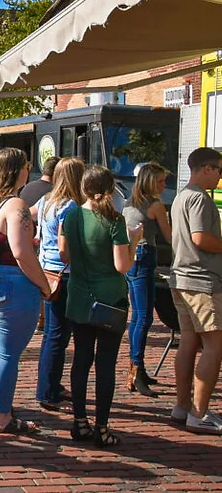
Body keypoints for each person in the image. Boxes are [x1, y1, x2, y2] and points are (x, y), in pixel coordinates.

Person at [0, 147, 51, 434]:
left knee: (2, 349)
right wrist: (44, 285)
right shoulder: (15, 205)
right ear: (20, 171)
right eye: (27, 167)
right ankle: (2, 416)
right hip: (10, 286)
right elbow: (22, 253)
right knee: (7, 354)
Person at [60, 165, 139, 447]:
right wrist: (135, 242)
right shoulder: (113, 220)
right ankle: (101, 427)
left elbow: (65, 254)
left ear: (83, 188)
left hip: (80, 296)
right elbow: (122, 265)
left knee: (81, 360)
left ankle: (79, 421)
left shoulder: (70, 216)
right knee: (105, 364)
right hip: (110, 299)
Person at [169, 147, 222, 434]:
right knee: (214, 345)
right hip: (201, 280)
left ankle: (182, 407)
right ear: (206, 169)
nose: (219, 177)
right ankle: (199, 413)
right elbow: (201, 238)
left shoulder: (181, 197)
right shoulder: (200, 199)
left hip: (182, 278)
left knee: (189, 342)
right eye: (219, 170)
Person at [30, 157, 85, 411]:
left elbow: (30, 220)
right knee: (58, 336)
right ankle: (48, 391)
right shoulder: (70, 206)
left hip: (46, 271)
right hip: (64, 273)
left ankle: (49, 384)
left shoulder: (46, 201)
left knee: (52, 333)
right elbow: (65, 250)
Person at [120, 162, 171, 397]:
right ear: (150, 182)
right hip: (144, 254)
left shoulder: (129, 202)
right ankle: (137, 369)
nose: (164, 185)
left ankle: (135, 366)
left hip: (131, 256)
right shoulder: (154, 204)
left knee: (138, 316)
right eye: (160, 181)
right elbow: (170, 237)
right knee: (143, 316)